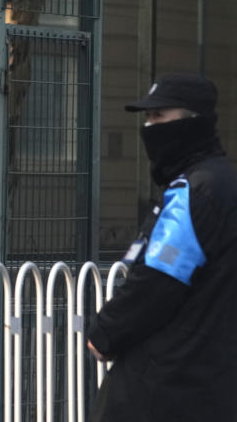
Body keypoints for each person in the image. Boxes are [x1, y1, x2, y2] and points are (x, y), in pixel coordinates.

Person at [87, 73, 237, 422]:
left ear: (193, 122)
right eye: (147, 117)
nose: (148, 126)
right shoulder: (220, 182)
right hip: (208, 379)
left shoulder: (196, 191)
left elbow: (158, 278)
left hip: (170, 381)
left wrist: (106, 331)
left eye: (158, 116)